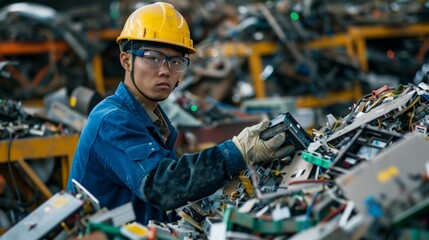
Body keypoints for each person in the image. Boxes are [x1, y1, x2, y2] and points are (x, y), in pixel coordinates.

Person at [66, 2, 294, 225]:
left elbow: (159, 202)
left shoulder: (152, 121)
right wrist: (238, 151)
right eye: (153, 58)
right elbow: (161, 187)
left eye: (176, 61)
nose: (165, 71)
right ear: (126, 60)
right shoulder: (112, 119)